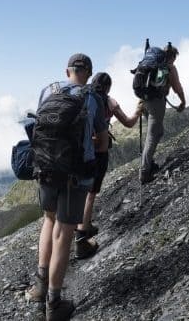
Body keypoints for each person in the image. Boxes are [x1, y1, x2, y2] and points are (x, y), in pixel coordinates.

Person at [26, 54, 109, 321]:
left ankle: (39, 287)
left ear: (67, 70)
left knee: (48, 221)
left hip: (45, 169)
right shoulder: (93, 98)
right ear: (89, 72)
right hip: (75, 175)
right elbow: (103, 143)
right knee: (64, 231)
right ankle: (54, 303)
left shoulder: (47, 91)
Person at [74, 72, 143, 258]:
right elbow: (128, 123)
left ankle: (82, 223)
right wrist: (137, 112)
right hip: (98, 153)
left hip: (78, 152)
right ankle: (81, 236)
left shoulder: (82, 97)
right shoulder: (109, 102)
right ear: (108, 87)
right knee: (91, 194)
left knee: (79, 190)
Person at [139, 43, 186, 184]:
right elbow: (177, 86)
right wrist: (183, 101)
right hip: (156, 102)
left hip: (144, 100)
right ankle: (144, 171)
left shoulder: (149, 63)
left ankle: (149, 161)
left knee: (157, 132)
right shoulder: (169, 67)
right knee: (152, 136)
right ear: (172, 56)